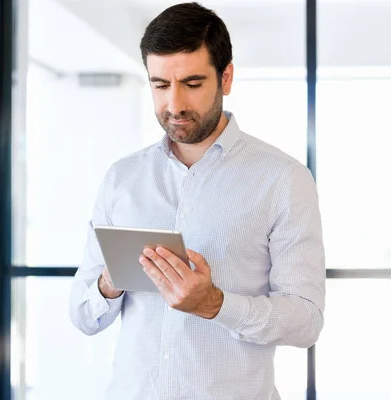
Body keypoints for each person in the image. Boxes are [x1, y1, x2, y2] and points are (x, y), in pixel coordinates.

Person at [69, 2, 325, 399]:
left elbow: (306, 322)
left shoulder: (283, 179)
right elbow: (83, 317)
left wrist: (214, 304)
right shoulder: (122, 179)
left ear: (226, 78)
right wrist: (109, 282)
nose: (174, 105)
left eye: (191, 83)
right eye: (160, 85)